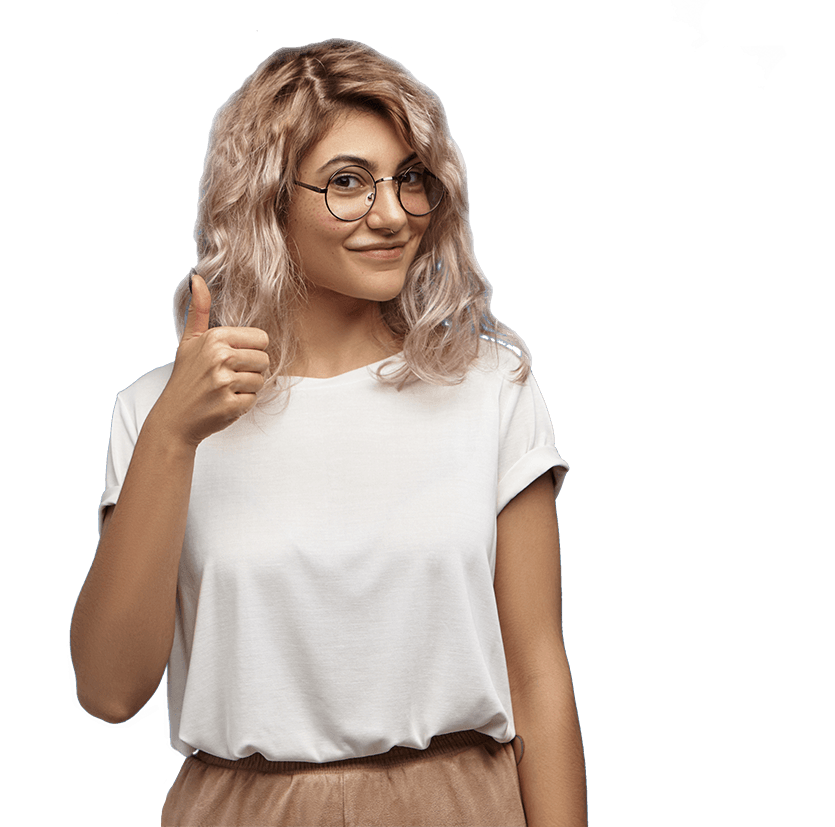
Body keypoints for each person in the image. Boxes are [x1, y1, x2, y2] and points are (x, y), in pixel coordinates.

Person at [69, 38, 581, 827]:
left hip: (460, 805)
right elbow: (109, 691)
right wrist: (172, 438)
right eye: (348, 182)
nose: (392, 214)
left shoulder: (494, 391)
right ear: (268, 201)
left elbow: (539, 676)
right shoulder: (155, 409)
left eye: (410, 179)